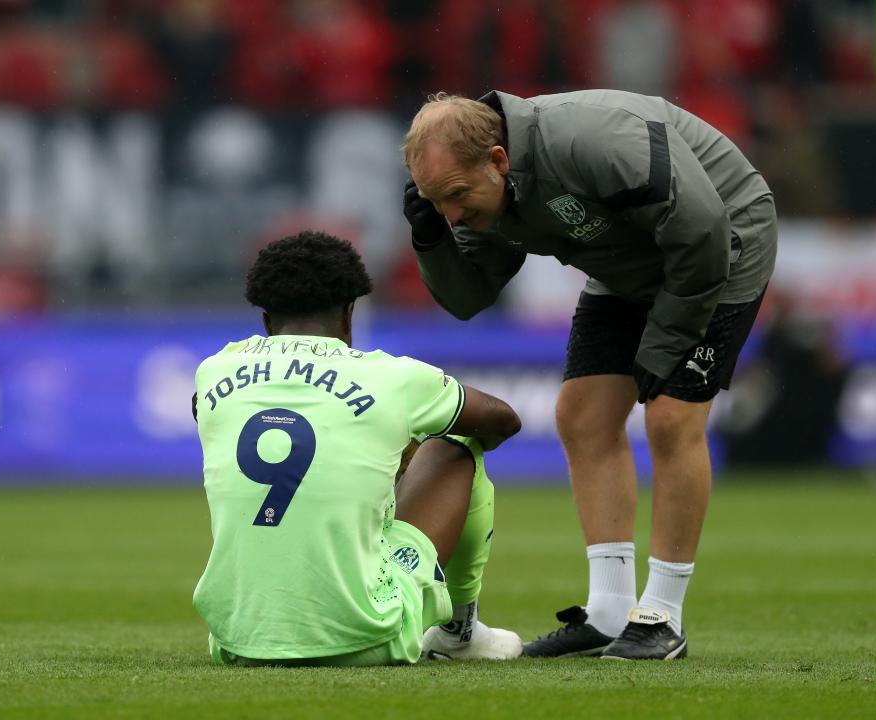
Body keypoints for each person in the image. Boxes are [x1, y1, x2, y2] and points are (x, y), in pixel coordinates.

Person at [402, 90, 776, 660]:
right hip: (630, 262)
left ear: (499, 159)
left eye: (454, 197)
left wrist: (667, 339)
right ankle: (607, 615)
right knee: (582, 416)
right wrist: (431, 239)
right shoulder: (483, 193)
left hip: (723, 246)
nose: (453, 214)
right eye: (437, 201)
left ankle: (660, 616)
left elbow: (702, 230)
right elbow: (469, 296)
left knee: (672, 419)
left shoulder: (594, 141)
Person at [192, 230, 523, 666]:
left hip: (237, 642)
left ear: (267, 320)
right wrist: (412, 442)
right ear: (350, 313)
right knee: (457, 441)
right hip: (368, 636)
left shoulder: (213, 370)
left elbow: (204, 410)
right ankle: (459, 632)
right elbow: (503, 418)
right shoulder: (392, 377)